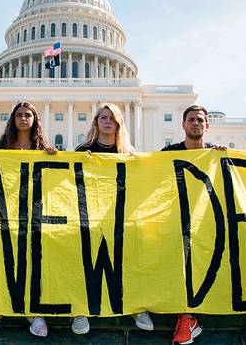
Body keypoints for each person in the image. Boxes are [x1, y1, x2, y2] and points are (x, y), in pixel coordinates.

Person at [166, 105, 246, 343]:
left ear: (207, 125)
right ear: (183, 125)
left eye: (200, 120)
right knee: (181, 245)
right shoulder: (168, 153)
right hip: (182, 220)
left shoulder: (217, 153)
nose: (195, 123)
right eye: (191, 120)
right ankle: (187, 316)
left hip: (216, 217)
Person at [72, 103, 155, 335]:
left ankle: (136, 306)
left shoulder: (129, 153)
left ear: (119, 123)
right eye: (103, 118)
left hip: (120, 214)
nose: (108, 122)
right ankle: (81, 309)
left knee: (128, 260)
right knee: (87, 261)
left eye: (113, 119)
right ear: (96, 122)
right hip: (90, 214)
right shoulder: (83, 150)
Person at [0, 102, 56, 338]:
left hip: (33, 209)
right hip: (5, 209)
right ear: (13, 119)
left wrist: (53, 156)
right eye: (19, 115)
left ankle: (35, 311)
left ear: (35, 119)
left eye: (28, 115)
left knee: (33, 258)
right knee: (0, 254)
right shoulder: (1, 147)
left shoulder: (43, 148)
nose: (23, 119)